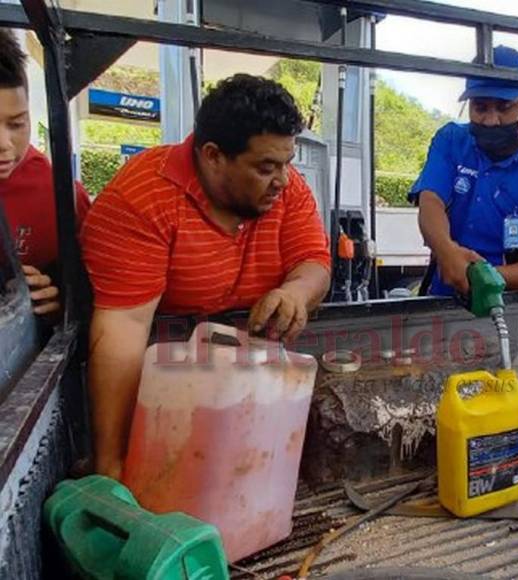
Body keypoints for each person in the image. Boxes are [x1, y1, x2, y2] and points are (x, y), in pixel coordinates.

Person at [81, 74, 331, 479]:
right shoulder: (141, 198)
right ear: (213, 155)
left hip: (254, 391)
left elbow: (314, 261)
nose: (283, 181)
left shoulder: (289, 188)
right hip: (164, 390)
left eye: (287, 163)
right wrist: (110, 462)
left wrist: (296, 293)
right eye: (266, 167)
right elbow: (122, 330)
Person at [410, 45, 518, 296]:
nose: (491, 120)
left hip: (512, 307)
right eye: (480, 107)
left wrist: (480, 275)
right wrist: (446, 251)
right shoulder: (450, 141)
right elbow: (430, 200)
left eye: (504, 107)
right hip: (443, 299)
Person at [0, 29, 91, 316]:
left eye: (16, 124)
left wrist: (59, 301)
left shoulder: (62, 196)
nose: (4, 145)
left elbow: (90, 294)